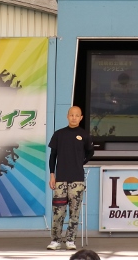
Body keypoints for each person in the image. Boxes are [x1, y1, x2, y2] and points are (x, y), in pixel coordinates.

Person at [47, 106, 94, 251]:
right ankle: (55, 240)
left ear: (81, 118)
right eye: (71, 115)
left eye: (77, 115)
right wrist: (52, 175)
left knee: (75, 212)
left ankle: (70, 240)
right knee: (58, 212)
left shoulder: (84, 135)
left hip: (77, 180)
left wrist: (80, 162)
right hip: (60, 180)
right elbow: (52, 156)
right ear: (67, 116)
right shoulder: (59, 134)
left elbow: (90, 152)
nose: (74, 117)